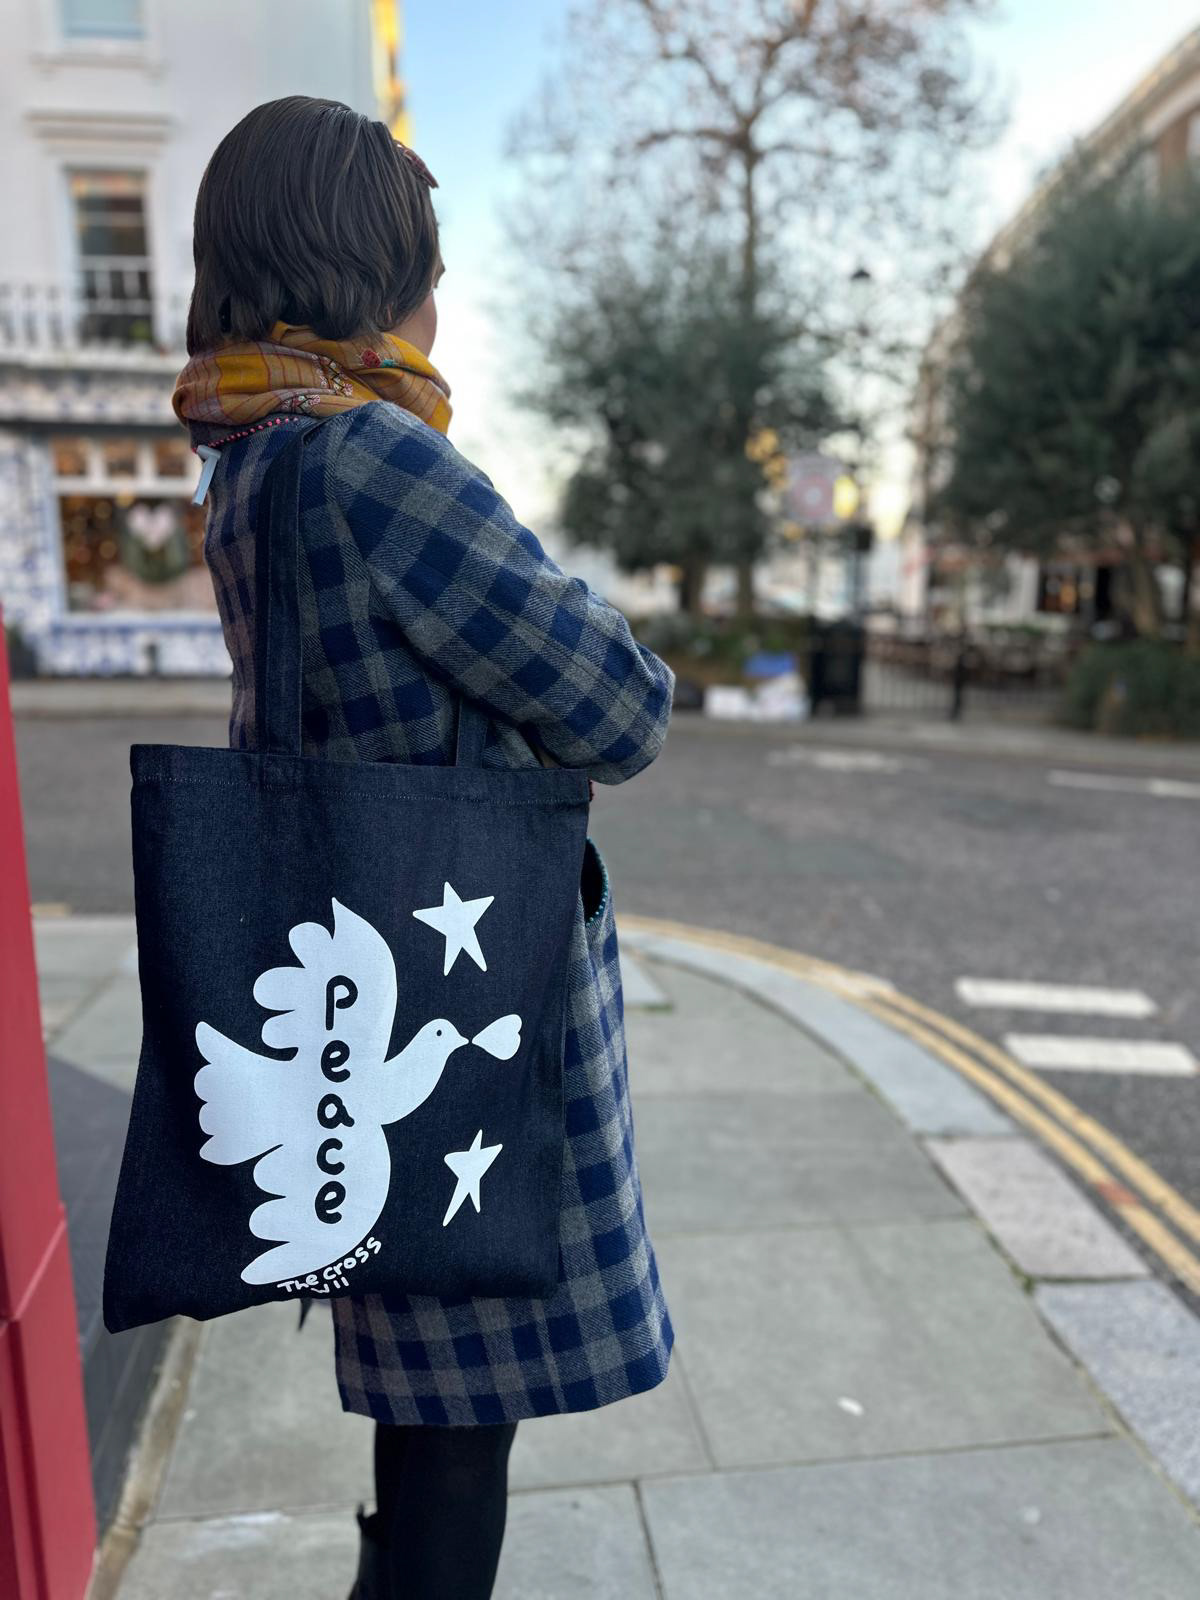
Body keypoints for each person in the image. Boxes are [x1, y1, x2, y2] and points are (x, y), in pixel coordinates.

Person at [171, 96, 676, 1600]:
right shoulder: (377, 459)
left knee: (430, 1408)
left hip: (360, 980)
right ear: (376, 277)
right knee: (461, 1437)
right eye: (428, 275)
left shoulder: (247, 463)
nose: (438, 311)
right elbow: (621, 707)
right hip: (460, 1007)